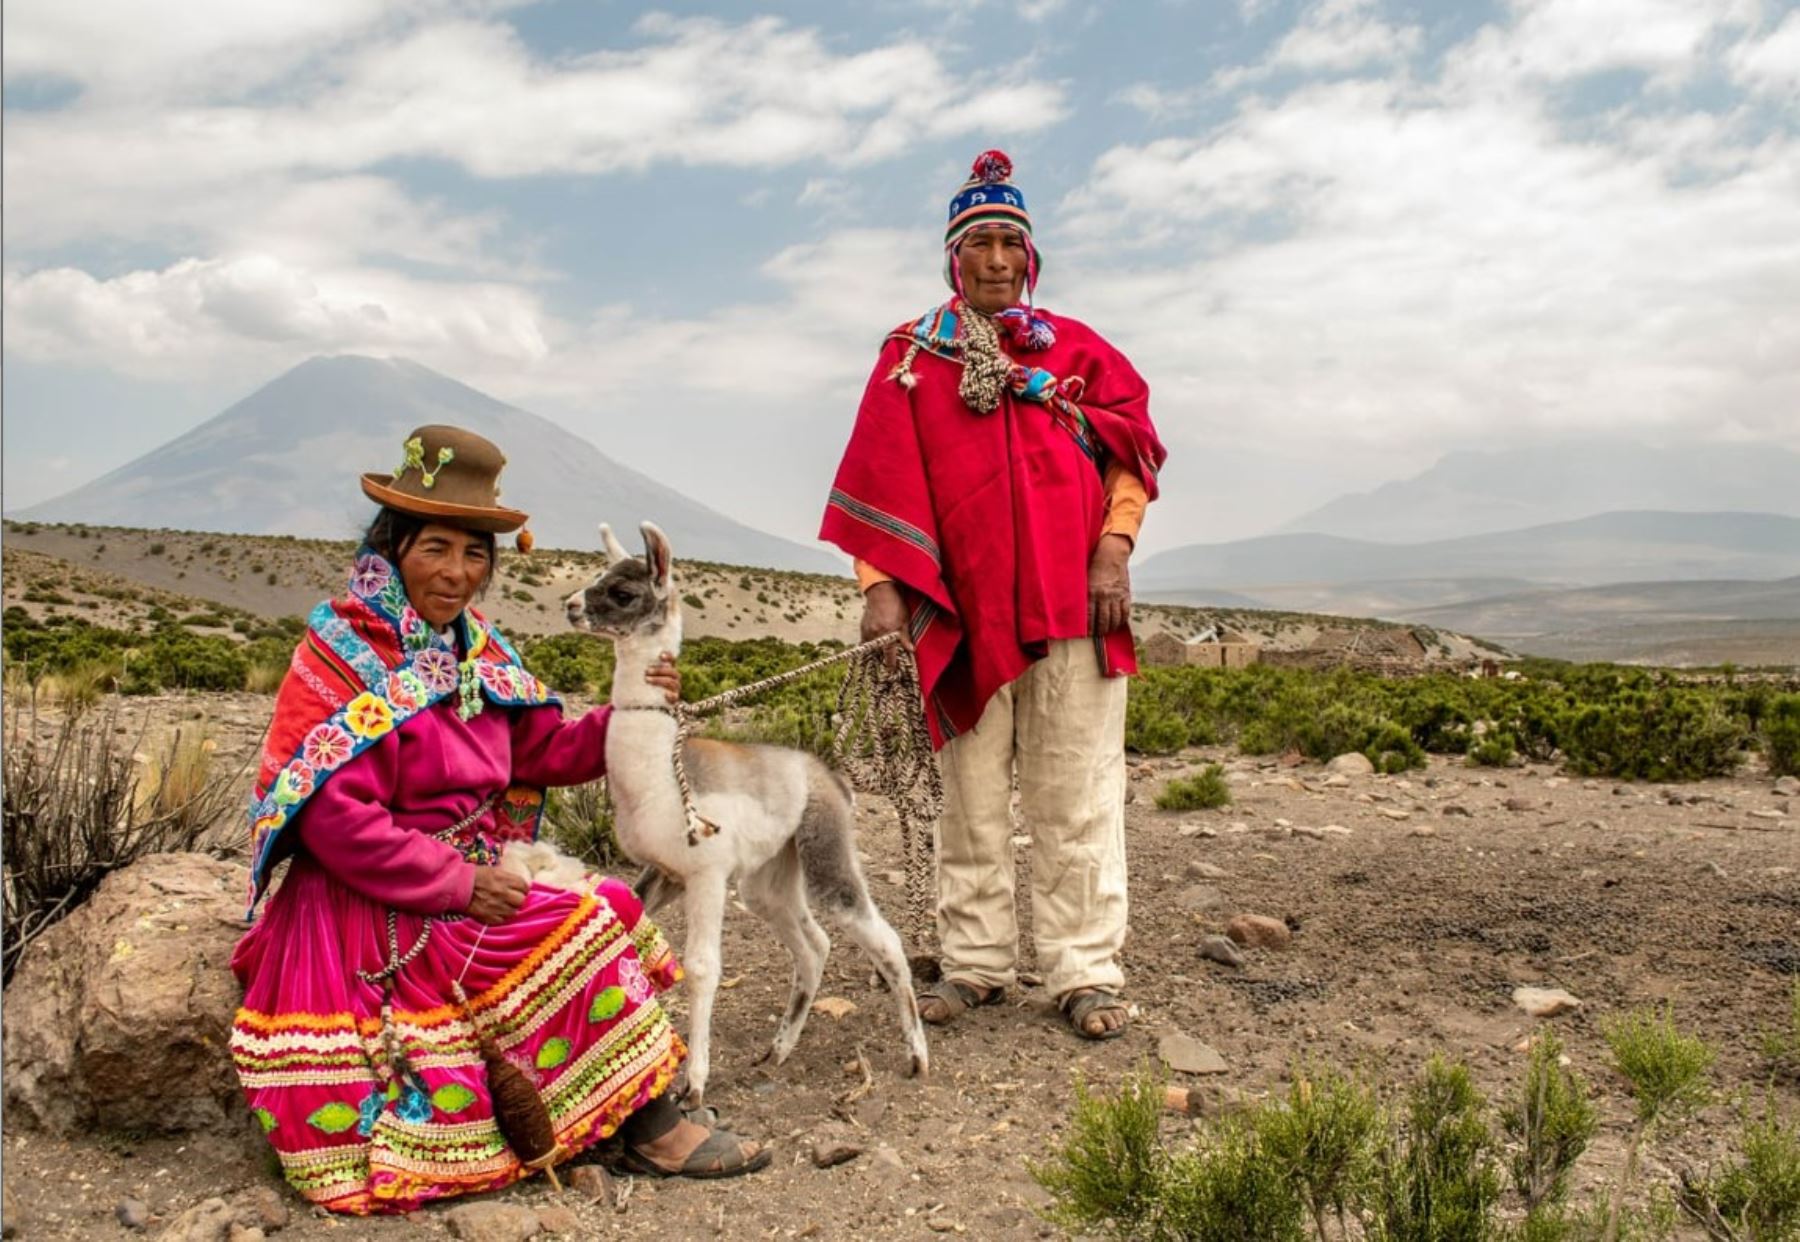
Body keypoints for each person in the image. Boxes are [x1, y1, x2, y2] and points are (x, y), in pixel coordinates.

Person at [230, 424, 769, 1215]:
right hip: (377, 895)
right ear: (394, 546)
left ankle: (605, 1109)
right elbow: (330, 820)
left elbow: (540, 750)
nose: (457, 573)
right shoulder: (343, 652)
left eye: (475, 554)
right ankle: (650, 1128)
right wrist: (454, 881)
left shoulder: (473, 647)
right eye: (437, 548)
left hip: (468, 873)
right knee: (571, 929)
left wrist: (637, 705)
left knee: (612, 904)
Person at [820, 151, 1167, 1041]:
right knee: (968, 797)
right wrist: (881, 592)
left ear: (1033, 255)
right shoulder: (910, 359)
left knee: (1076, 794)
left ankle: (1082, 971)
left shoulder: (1080, 352)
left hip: (1076, 611)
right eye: (980, 241)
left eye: (1013, 240)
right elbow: (880, 481)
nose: (999, 258)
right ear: (953, 257)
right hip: (964, 615)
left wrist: (1113, 554)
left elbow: (1131, 457)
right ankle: (973, 965)